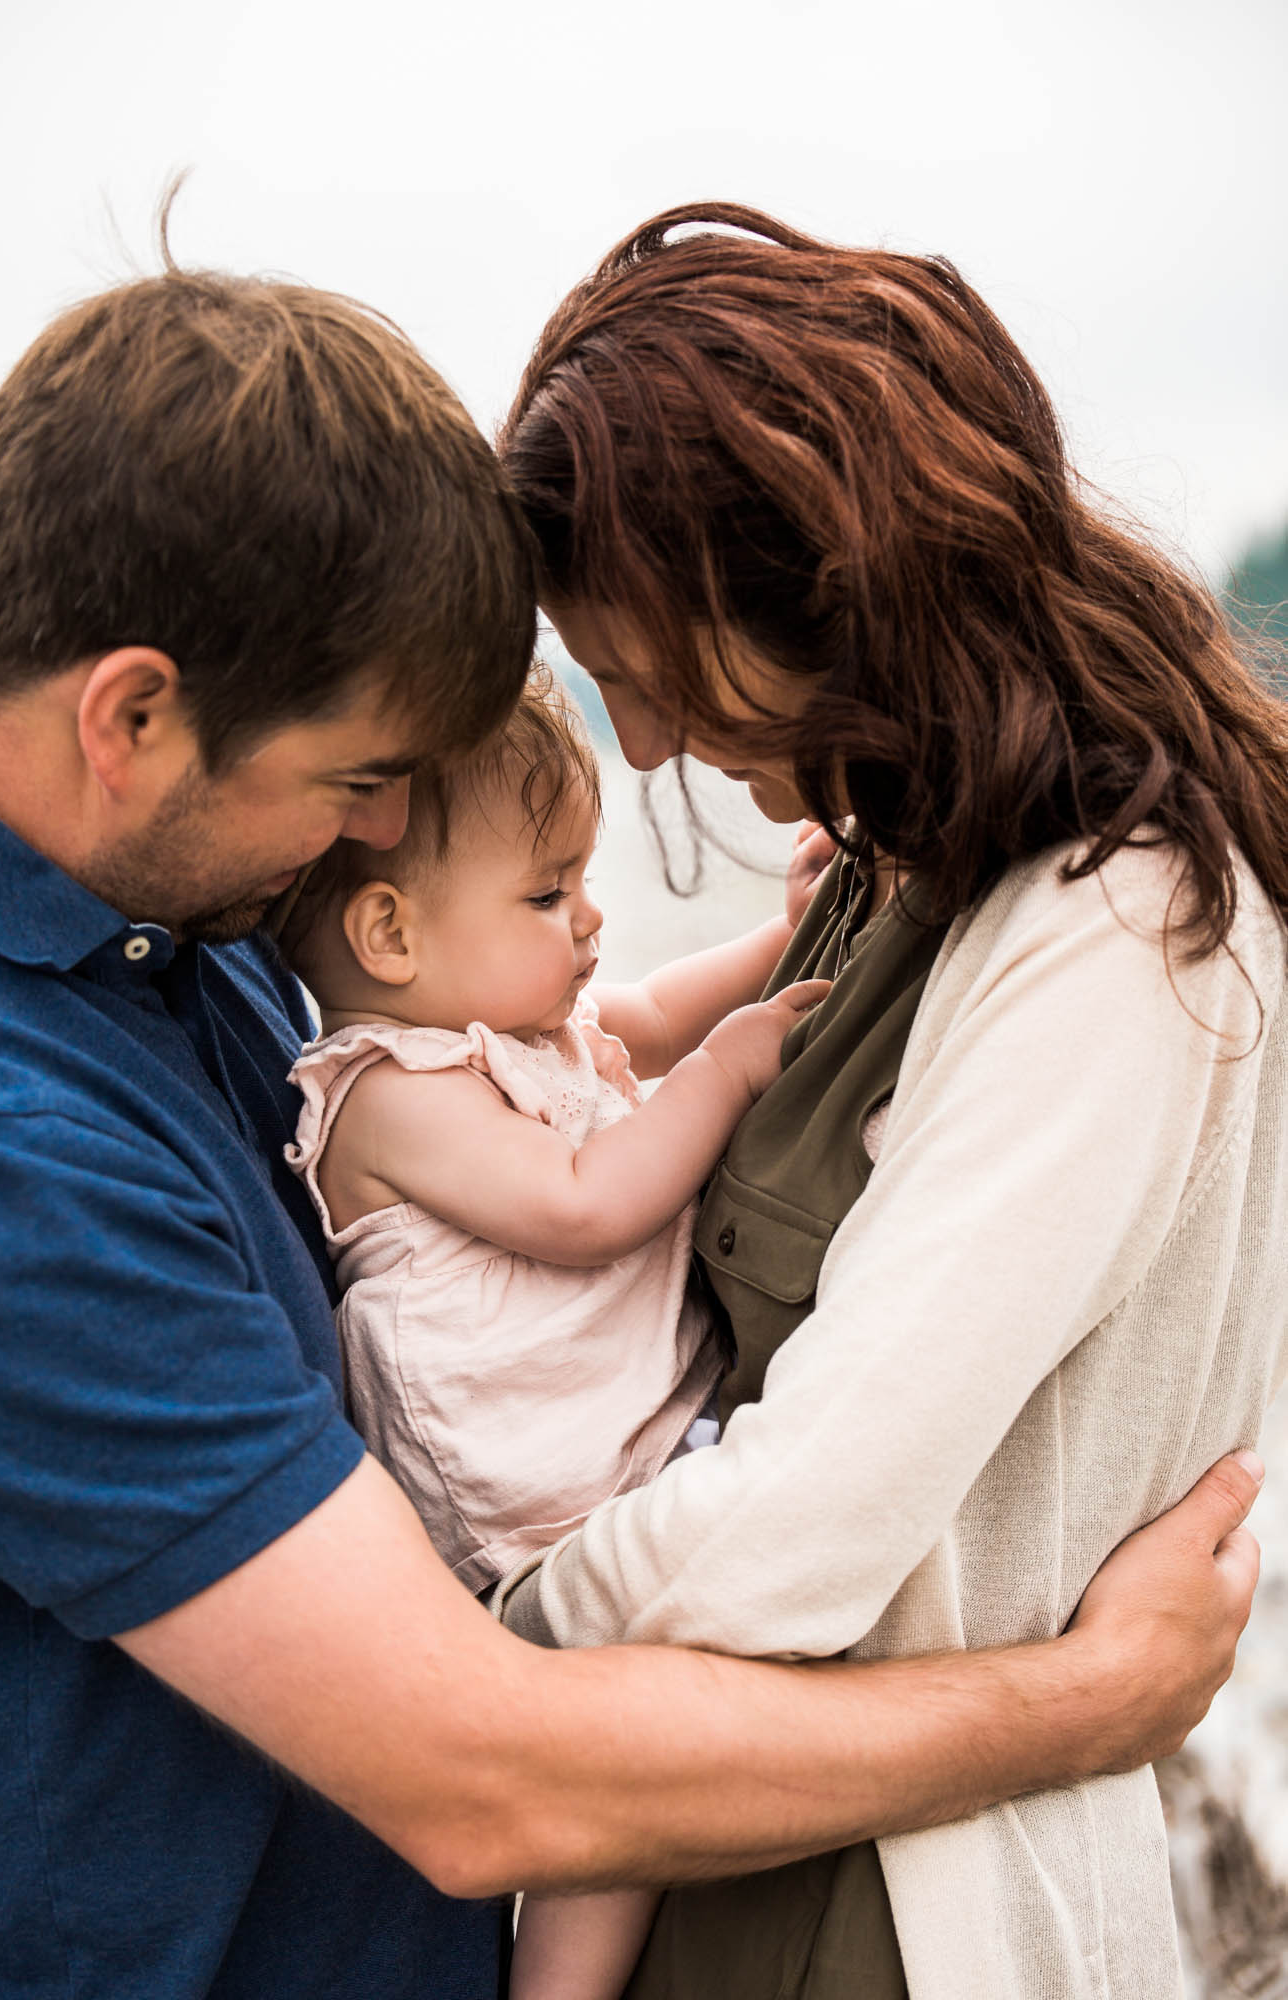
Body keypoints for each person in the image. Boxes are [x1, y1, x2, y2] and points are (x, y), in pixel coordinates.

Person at [0, 247, 1264, 2000]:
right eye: (357, 783)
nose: (379, 845)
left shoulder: (200, 952)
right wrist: (1088, 1705)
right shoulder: (5, 1152)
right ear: (131, 715)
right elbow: (478, 1769)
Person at [494, 201, 1288, 1999]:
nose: (638, 749)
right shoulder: (901, 873)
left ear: (818, 587)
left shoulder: (1120, 927)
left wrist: (452, 1660)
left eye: (645, 673)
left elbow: (797, 1528)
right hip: (728, 1843)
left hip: (878, 1909)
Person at [276, 664, 829, 1998]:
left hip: (619, 1449)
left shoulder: (520, 1027)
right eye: (545, 894)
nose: (590, 920)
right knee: (617, 1780)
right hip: (533, 1504)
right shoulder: (385, 1097)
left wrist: (785, 940)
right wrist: (733, 1068)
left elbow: (639, 1017)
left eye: (582, 878)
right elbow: (585, 1206)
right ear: (390, 934)